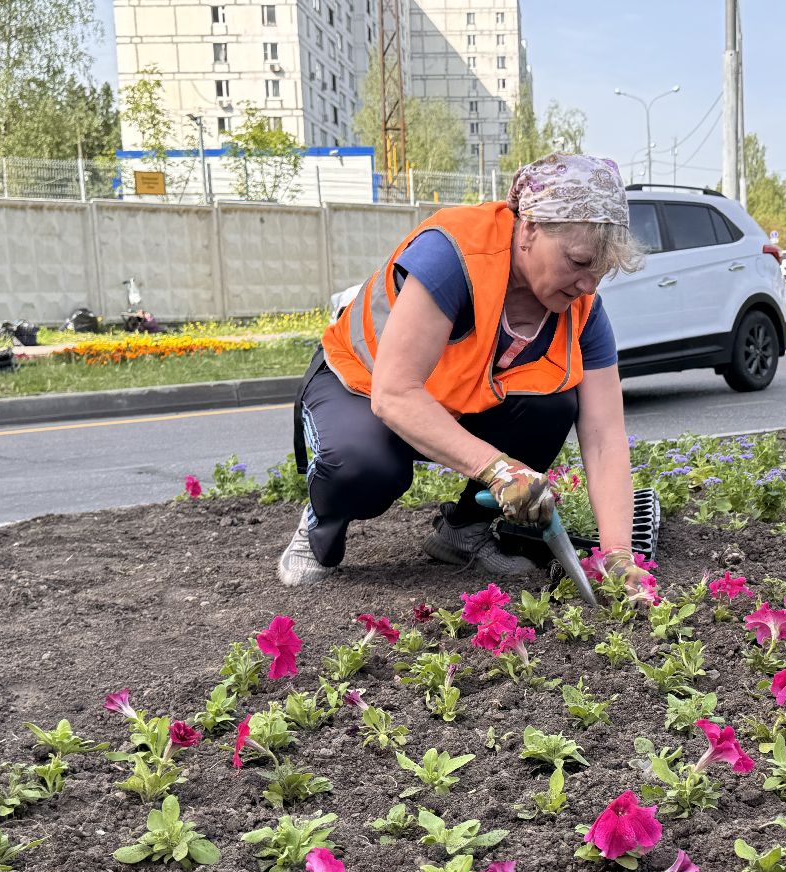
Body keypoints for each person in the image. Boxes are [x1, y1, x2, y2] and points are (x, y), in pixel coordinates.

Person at [278, 153, 655, 602]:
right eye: (578, 262)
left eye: (600, 272)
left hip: (454, 401)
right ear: (530, 229)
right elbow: (395, 394)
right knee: (365, 467)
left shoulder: (583, 310)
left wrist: (618, 556)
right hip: (360, 385)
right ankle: (322, 526)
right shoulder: (454, 255)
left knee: (552, 405)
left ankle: (462, 532)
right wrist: (498, 469)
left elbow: (604, 436)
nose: (588, 285)